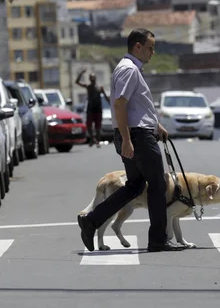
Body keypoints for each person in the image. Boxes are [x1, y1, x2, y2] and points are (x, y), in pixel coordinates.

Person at [77, 28, 185, 252]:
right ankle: (158, 240)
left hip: (137, 133)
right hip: (137, 136)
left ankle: (91, 220)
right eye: (150, 47)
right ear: (137, 46)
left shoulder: (129, 69)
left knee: (136, 186)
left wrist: (156, 125)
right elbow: (119, 104)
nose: (152, 53)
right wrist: (127, 139)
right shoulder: (129, 70)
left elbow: (137, 106)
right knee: (158, 185)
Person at [75, 70, 109, 147]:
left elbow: (106, 98)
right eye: (91, 78)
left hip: (98, 109)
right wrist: (81, 73)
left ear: (96, 78)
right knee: (89, 126)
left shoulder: (100, 88)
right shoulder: (88, 86)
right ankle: (93, 139)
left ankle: (97, 141)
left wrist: (112, 104)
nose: (92, 79)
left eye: (93, 78)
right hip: (90, 109)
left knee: (98, 127)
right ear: (89, 79)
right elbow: (77, 82)